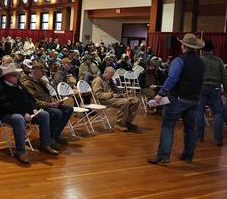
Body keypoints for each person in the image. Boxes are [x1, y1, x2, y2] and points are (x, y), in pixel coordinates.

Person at [148, 33, 205, 165]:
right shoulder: (201, 63)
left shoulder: (179, 60)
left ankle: (163, 156)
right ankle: (188, 155)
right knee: (190, 129)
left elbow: (172, 79)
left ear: (183, 46)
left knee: (168, 126)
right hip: (195, 100)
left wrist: (160, 94)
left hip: (178, 99)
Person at [0, 63, 59, 164]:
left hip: (24, 112)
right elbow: (6, 106)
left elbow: (29, 99)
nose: (17, 77)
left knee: (44, 114)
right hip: (6, 114)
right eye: (14, 75)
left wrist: (34, 109)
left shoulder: (18, 85)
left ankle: (45, 144)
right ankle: (21, 151)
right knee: (18, 118)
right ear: (7, 77)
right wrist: (23, 114)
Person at [22, 63, 73, 146]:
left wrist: (56, 101)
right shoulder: (27, 83)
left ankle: (56, 134)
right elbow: (34, 102)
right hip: (36, 109)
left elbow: (47, 96)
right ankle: (49, 137)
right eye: (43, 72)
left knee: (68, 109)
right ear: (36, 72)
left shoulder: (40, 81)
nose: (44, 74)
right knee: (56, 113)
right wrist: (51, 105)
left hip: (46, 106)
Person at [196, 40, 226, 146]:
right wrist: (226, 90)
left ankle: (199, 136)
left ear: (202, 49)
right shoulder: (219, 60)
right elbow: (224, 77)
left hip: (201, 87)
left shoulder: (199, 60)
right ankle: (218, 139)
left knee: (199, 111)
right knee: (218, 113)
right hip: (215, 88)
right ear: (212, 49)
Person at [92, 67, 140, 132]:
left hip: (113, 97)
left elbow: (115, 90)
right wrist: (111, 95)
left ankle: (127, 122)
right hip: (104, 100)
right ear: (105, 72)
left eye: (112, 75)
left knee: (135, 100)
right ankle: (119, 123)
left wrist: (122, 94)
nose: (111, 76)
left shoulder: (109, 80)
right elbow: (98, 95)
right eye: (111, 75)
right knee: (125, 102)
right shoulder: (98, 80)